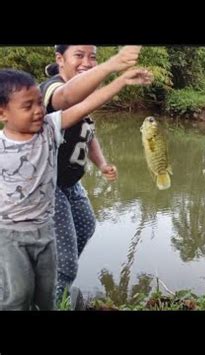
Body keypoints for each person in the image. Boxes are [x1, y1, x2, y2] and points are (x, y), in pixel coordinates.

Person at [0, 66, 152, 310]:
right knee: (18, 296)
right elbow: (68, 99)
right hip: (12, 233)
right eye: (28, 106)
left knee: (47, 291)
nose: (39, 110)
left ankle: (58, 291)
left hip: (45, 228)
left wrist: (121, 79)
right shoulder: (55, 88)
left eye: (39, 104)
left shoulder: (48, 128)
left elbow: (86, 112)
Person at [39, 45, 141, 302]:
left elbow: (88, 132)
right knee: (66, 264)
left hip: (71, 183)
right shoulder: (51, 88)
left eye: (93, 56)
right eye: (79, 55)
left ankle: (51, 284)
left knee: (85, 227)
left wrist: (102, 164)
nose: (87, 62)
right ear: (60, 59)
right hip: (47, 185)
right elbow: (65, 99)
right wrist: (111, 66)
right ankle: (52, 299)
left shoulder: (84, 94)